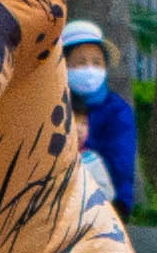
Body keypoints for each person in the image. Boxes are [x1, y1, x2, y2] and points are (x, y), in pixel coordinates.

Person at [59, 18, 138, 212]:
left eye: (96, 62)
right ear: (62, 65)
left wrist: (118, 207)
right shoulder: (51, 106)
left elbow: (122, 164)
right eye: (79, 63)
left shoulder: (118, 111)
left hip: (105, 209)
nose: (89, 69)